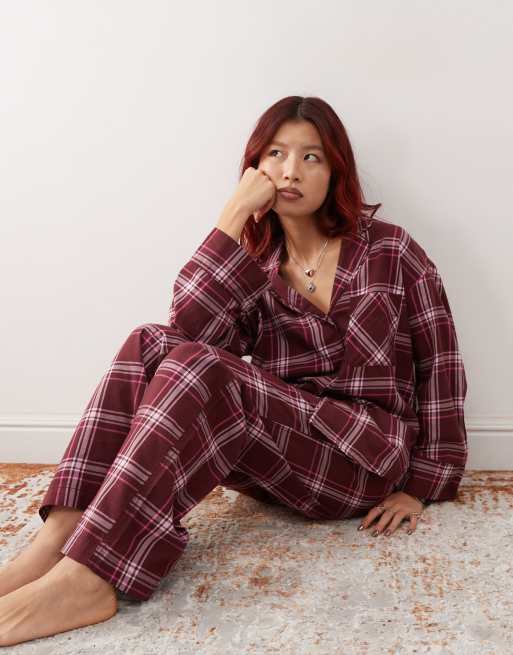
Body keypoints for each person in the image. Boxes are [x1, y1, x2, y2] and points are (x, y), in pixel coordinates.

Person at [0, 96, 468, 646]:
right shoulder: (252, 265)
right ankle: (58, 539)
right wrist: (232, 217)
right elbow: (184, 333)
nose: (291, 172)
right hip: (281, 457)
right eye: (276, 154)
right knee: (151, 341)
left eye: (311, 157)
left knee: (200, 364)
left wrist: (423, 485)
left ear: (336, 170)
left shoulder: (390, 250)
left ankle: (87, 578)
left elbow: (440, 363)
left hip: (362, 460)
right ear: (255, 169)